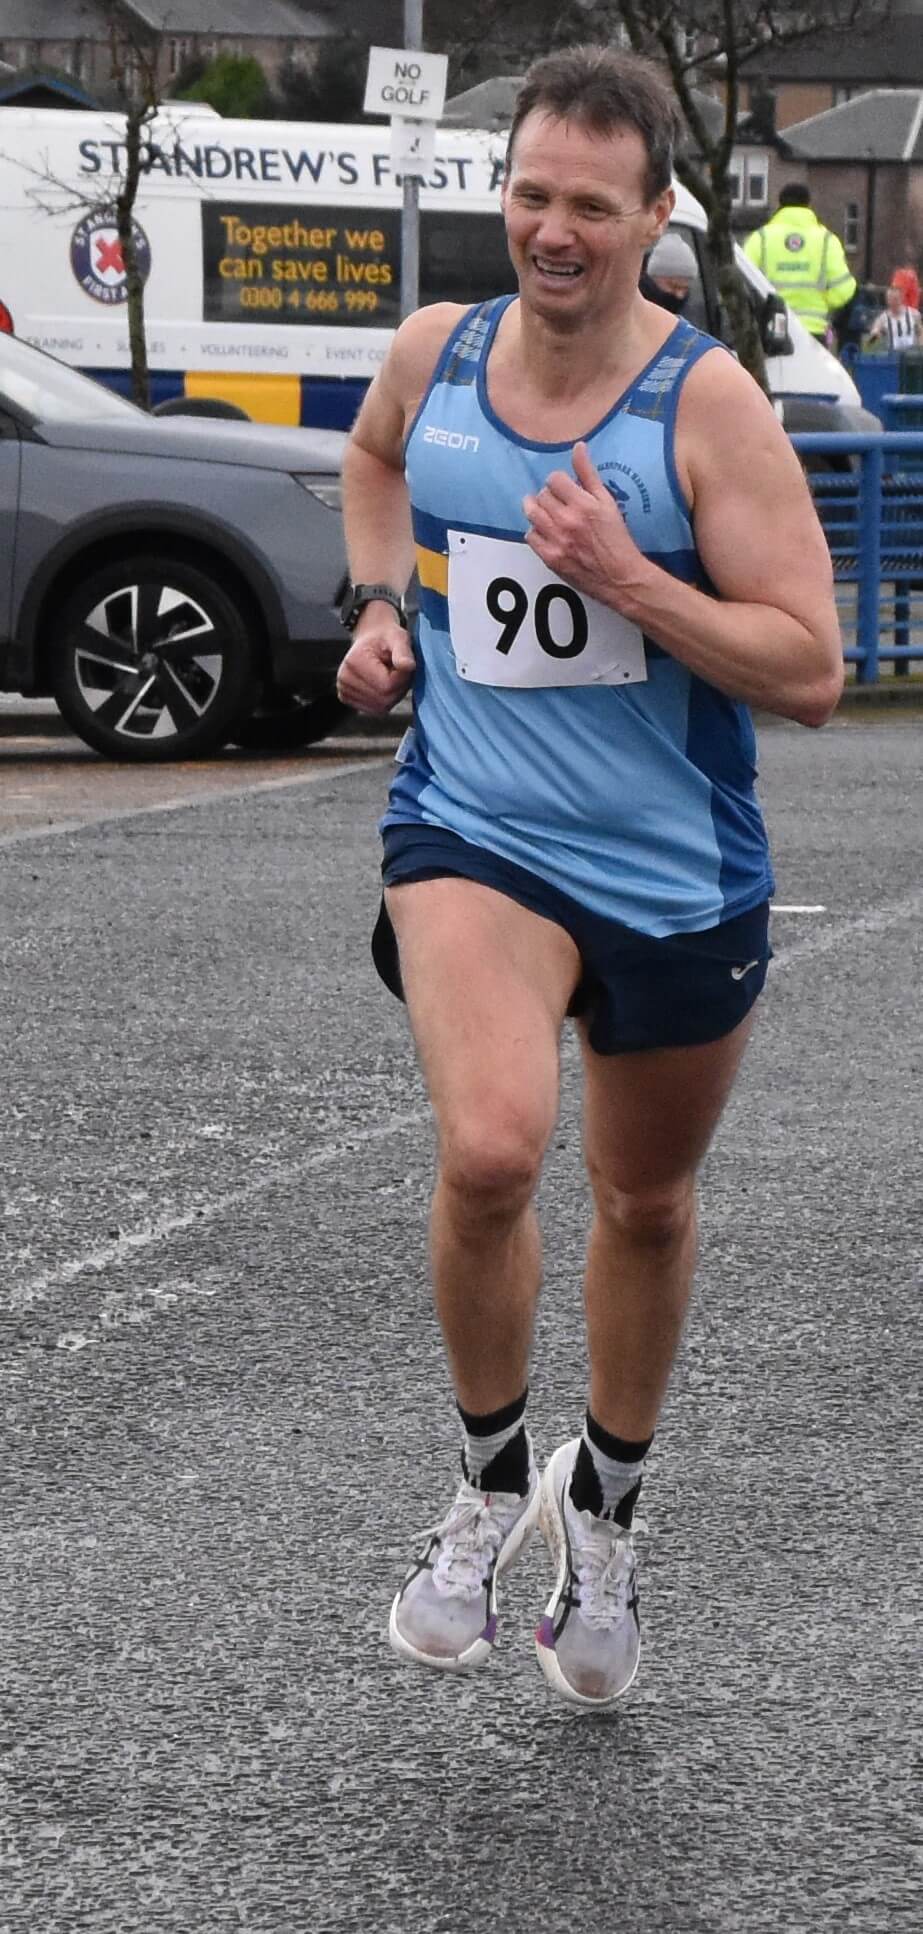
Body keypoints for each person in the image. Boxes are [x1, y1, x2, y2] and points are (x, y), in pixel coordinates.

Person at [336, 44, 843, 1711]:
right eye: (529, 195)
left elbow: (809, 666)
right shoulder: (437, 350)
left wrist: (629, 577)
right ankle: (488, 1485)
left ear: (653, 215)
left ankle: (603, 1516)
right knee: (491, 1146)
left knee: (641, 1200)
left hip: (670, 867)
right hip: (471, 829)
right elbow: (373, 461)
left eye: (589, 206)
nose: (551, 231)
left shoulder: (703, 405)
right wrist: (378, 604)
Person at [743, 182, 856, 342]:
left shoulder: (760, 238)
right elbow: (844, 288)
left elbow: (743, 283)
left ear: (780, 204)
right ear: (809, 204)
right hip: (813, 330)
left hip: (770, 331)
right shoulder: (827, 240)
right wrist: (823, 302)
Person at [641, 228, 698, 313]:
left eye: (685, 289)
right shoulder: (628, 313)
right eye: (673, 287)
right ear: (652, 278)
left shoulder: (688, 316)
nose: (680, 295)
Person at [864, 280, 923, 352]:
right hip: (893, 354)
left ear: (901, 298)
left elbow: (921, 332)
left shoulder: (914, 314)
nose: (891, 302)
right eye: (889, 299)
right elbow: (874, 334)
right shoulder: (883, 318)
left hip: (912, 354)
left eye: (895, 299)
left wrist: (921, 348)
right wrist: (874, 336)